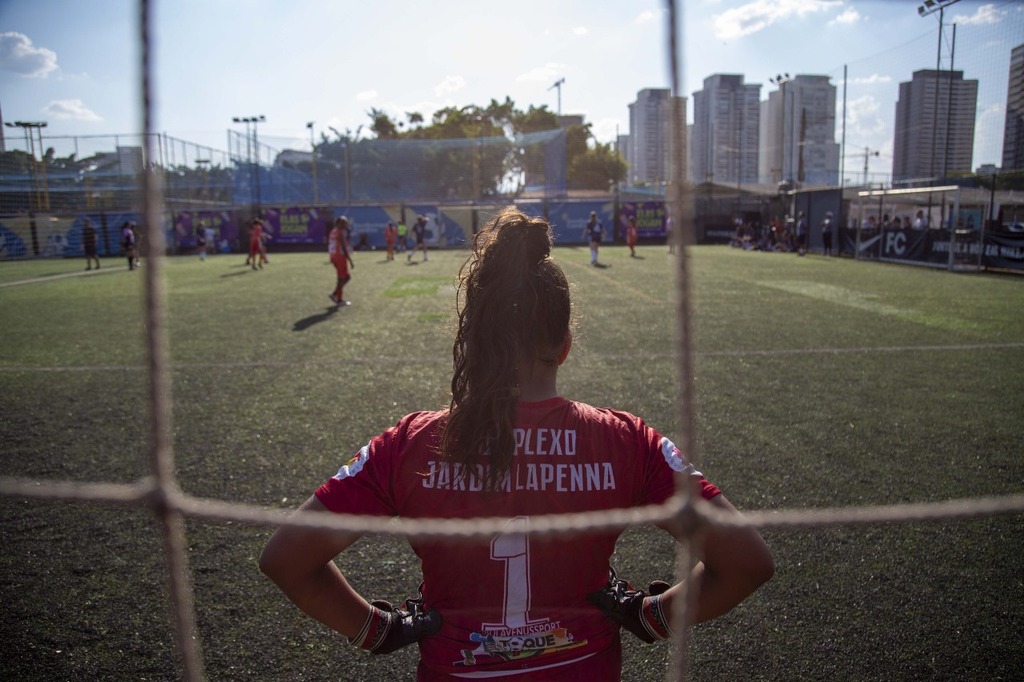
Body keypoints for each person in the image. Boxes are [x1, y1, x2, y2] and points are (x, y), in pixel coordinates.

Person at [260, 206, 773, 680]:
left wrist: (377, 630)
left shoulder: (411, 443)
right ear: (565, 345)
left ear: (473, 338)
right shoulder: (625, 440)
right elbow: (747, 561)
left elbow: (287, 558)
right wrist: (653, 615)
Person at [327, 216, 355, 306]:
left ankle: (335, 294)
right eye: (344, 223)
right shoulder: (340, 232)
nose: (346, 224)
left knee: (346, 277)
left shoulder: (333, 231)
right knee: (341, 278)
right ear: (340, 223)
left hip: (334, 256)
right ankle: (339, 299)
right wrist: (350, 261)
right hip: (340, 257)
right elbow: (343, 247)